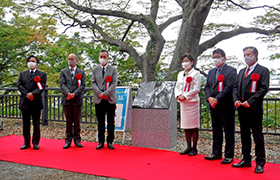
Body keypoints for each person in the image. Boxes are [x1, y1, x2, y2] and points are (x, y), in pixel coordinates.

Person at [232, 46, 269, 173]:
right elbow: (236, 87)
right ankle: (246, 159)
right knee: (244, 135)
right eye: (244, 55)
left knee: (257, 135)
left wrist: (250, 102)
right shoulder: (241, 71)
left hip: (254, 109)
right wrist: (236, 100)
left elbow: (263, 89)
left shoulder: (263, 70)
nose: (246, 57)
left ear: (255, 55)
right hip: (242, 109)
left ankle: (260, 162)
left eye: (249, 54)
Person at [204, 48, 237, 164]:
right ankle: (216, 153)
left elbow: (229, 87)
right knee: (216, 130)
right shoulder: (211, 72)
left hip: (226, 105)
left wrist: (217, 98)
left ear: (224, 58)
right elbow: (207, 86)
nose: (216, 59)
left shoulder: (231, 71)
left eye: (218, 57)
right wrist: (209, 98)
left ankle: (229, 155)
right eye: (214, 57)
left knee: (228, 131)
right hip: (213, 106)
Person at [17, 55, 47, 150]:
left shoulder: (42, 74)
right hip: (25, 101)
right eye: (29, 61)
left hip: (36, 102)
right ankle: (26, 142)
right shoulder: (22, 74)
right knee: (25, 124)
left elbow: (42, 87)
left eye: (33, 61)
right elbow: (19, 85)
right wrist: (27, 94)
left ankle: (36, 142)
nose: (31, 62)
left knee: (36, 123)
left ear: (37, 63)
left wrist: (33, 94)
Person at [174, 53, 201, 156]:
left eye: (187, 61)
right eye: (183, 61)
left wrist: (185, 96)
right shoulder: (180, 74)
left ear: (192, 62)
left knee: (193, 126)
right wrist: (178, 95)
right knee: (186, 126)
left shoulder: (196, 73)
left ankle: (194, 148)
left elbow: (196, 89)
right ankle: (188, 147)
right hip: (183, 103)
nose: (185, 63)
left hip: (192, 102)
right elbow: (177, 86)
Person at [91, 50, 118, 150]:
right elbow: (93, 82)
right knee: (100, 122)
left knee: (111, 122)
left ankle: (110, 141)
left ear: (108, 58)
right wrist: (100, 93)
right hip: (98, 99)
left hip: (110, 99)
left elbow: (114, 83)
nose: (102, 58)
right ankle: (101, 141)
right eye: (101, 56)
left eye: (104, 56)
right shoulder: (95, 69)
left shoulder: (113, 69)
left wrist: (106, 94)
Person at [60, 53, 86, 149]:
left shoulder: (81, 72)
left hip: (77, 100)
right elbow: (62, 84)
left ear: (76, 60)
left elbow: (83, 85)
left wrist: (74, 94)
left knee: (77, 121)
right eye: (69, 59)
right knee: (68, 121)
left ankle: (77, 140)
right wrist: (68, 93)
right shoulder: (63, 71)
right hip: (67, 100)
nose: (70, 60)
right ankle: (68, 140)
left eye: (72, 59)